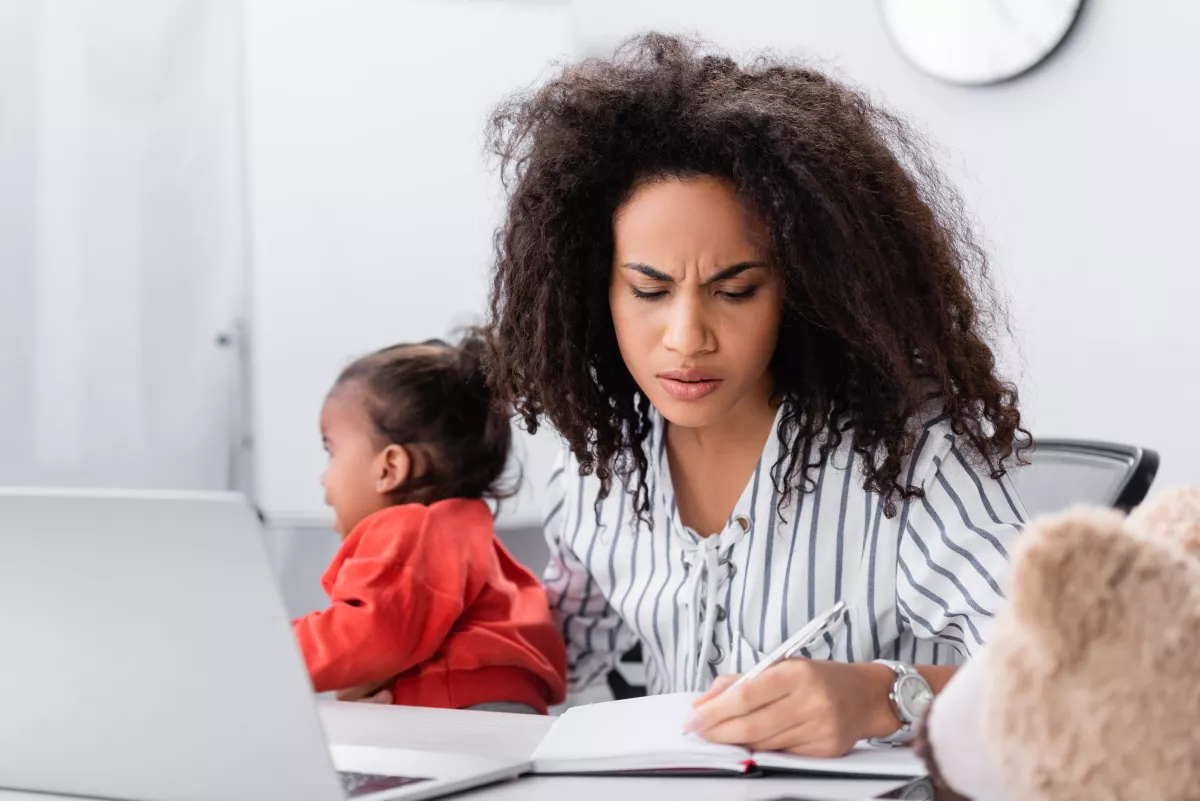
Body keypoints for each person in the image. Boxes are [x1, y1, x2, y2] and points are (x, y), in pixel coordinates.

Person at [484, 34, 1030, 754]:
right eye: (649, 289)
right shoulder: (598, 468)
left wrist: (880, 694)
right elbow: (564, 653)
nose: (686, 337)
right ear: (596, 289)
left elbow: (1061, 669)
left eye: (734, 289)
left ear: (802, 291)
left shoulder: (907, 458)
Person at [291, 331, 567, 713]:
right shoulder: (463, 537)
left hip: (462, 710)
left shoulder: (410, 528)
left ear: (390, 468)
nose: (325, 477)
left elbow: (369, 633)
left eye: (330, 450)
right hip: (501, 708)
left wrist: (272, 649)